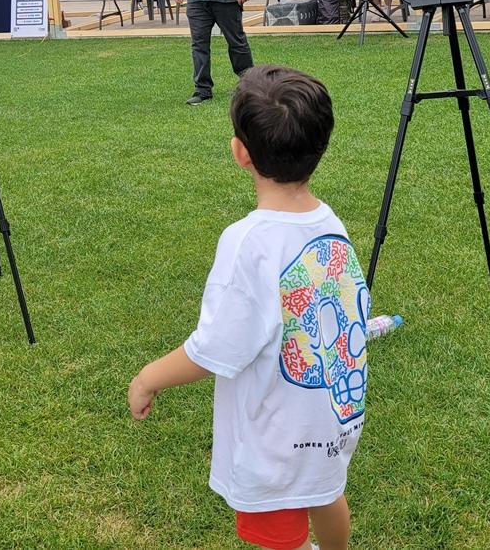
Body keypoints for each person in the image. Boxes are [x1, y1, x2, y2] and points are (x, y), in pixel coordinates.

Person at [128, 65, 367, 550]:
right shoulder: (329, 223)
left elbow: (215, 349)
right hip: (331, 418)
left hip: (275, 438)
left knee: (278, 534)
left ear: (240, 152)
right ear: (321, 147)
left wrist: (148, 376)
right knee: (326, 494)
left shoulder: (247, 243)